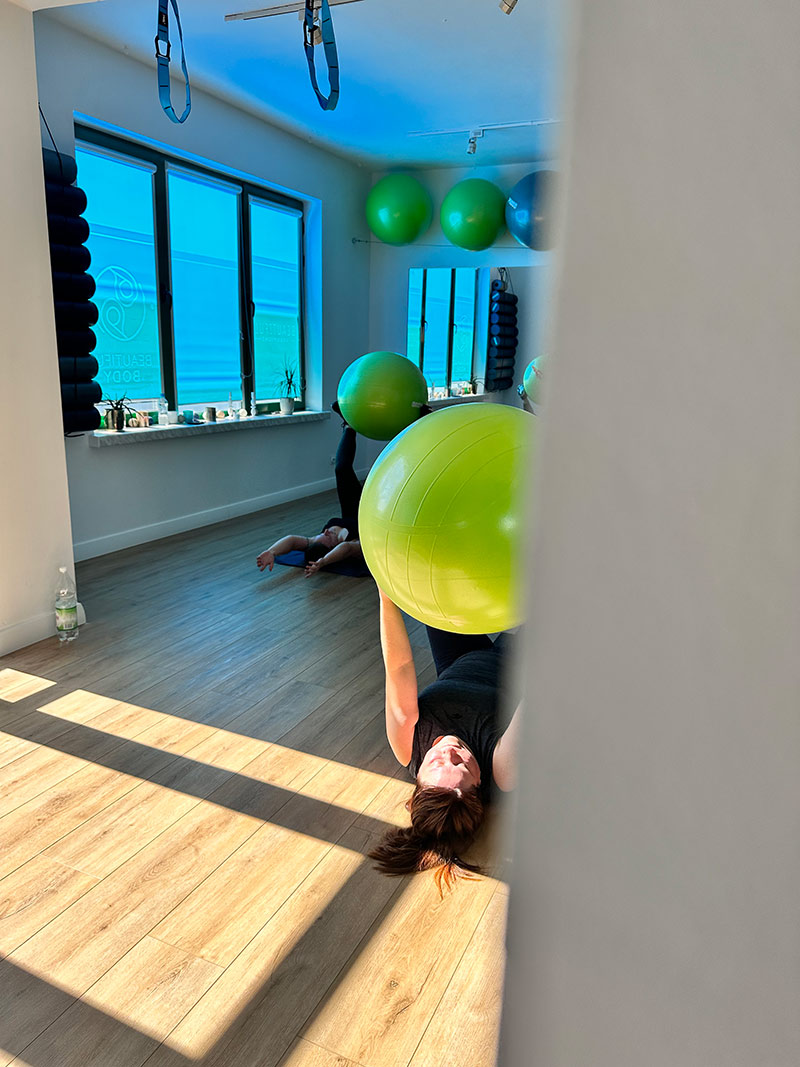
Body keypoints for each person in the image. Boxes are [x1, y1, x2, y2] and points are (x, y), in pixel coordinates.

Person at [370, 588, 521, 888]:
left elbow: (399, 667)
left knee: (435, 589)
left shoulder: (408, 744)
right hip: (513, 663)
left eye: (437, 763)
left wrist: (386, 595)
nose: (450, 751)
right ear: (479, 782)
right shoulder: (503, 771)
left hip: (458, 662)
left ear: (418, 779)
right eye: (461, 764)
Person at [256, 422, 364, 577]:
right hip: (369, 513)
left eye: (323, 534)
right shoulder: (352, 545)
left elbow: (292, 540)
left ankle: (348, 426)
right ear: (331, 549)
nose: (326, 531)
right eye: (327, 536)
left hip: (350, 509)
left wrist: (271, 551)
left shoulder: (316, 541)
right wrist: (324, 561)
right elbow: (345, 549)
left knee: (341, 469)